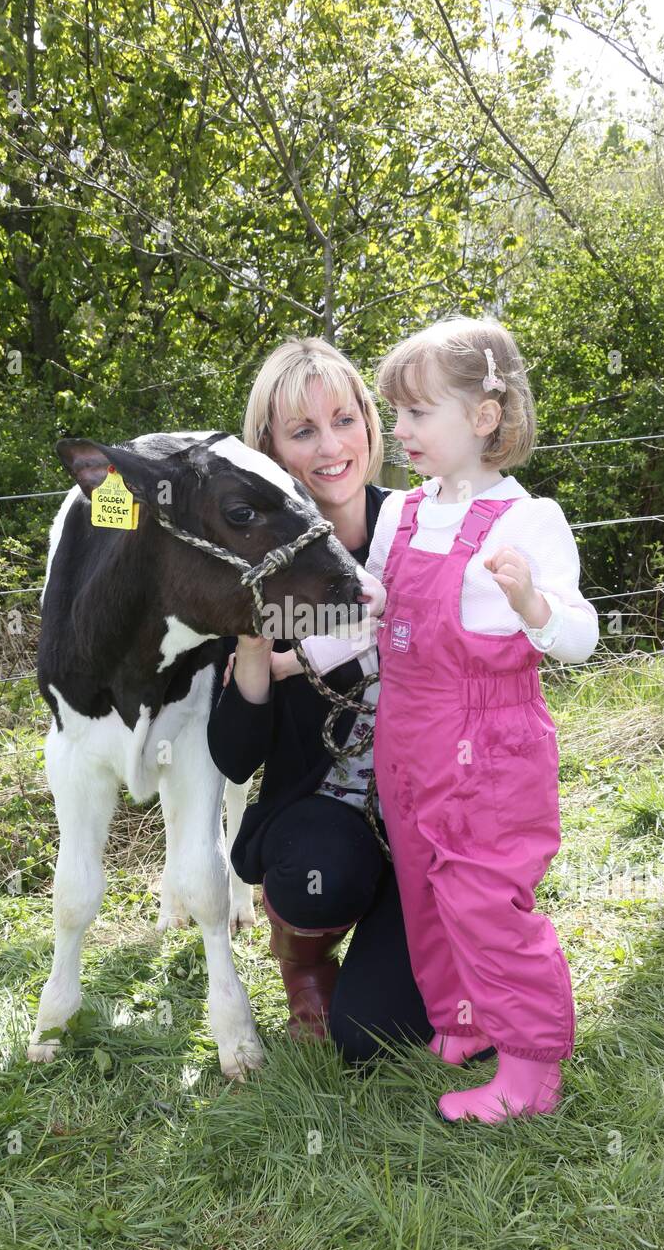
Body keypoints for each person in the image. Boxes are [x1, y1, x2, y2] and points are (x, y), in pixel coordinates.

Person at [290, 315, 599, 1122]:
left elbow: (579, 636)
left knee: (484, 902)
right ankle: (464, 1022)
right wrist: (295, 657)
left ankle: (531, 1067)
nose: (400, 431)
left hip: (489, 751)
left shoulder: (527, 522)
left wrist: (530, 599)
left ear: (484, 418)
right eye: (396, 413)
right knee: (427, 892)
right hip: (408, 743)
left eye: (418, 413)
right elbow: (377, 625)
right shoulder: (402, 515)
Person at [207, 337, 494, 1069]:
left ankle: (432, 925)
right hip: (324, 810)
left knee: (373, 1036)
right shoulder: (252, 558)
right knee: (322, 878)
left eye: (344, 420)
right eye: (303, 431)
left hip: (429, 816)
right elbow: (236, 756)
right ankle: (303, 954)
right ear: (269, 449)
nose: (331, 447)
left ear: (371, 425)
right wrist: (251, 638)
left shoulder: (428, 527)